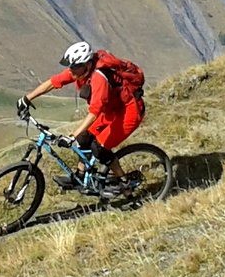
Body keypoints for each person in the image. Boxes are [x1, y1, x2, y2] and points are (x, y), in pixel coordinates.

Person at [17, 41, 146, 195]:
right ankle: (80, 175)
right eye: (71, 66)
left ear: (87, 64)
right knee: (84, 139)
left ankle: (125, 183)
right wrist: (27, 98)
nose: (71, 70)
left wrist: (72, 136)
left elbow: (94, 112)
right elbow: (53, 82)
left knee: (100, 148)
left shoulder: (99, 78)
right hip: (110, 110)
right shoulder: (79, 71)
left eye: (75, 66)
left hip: (128, 112)